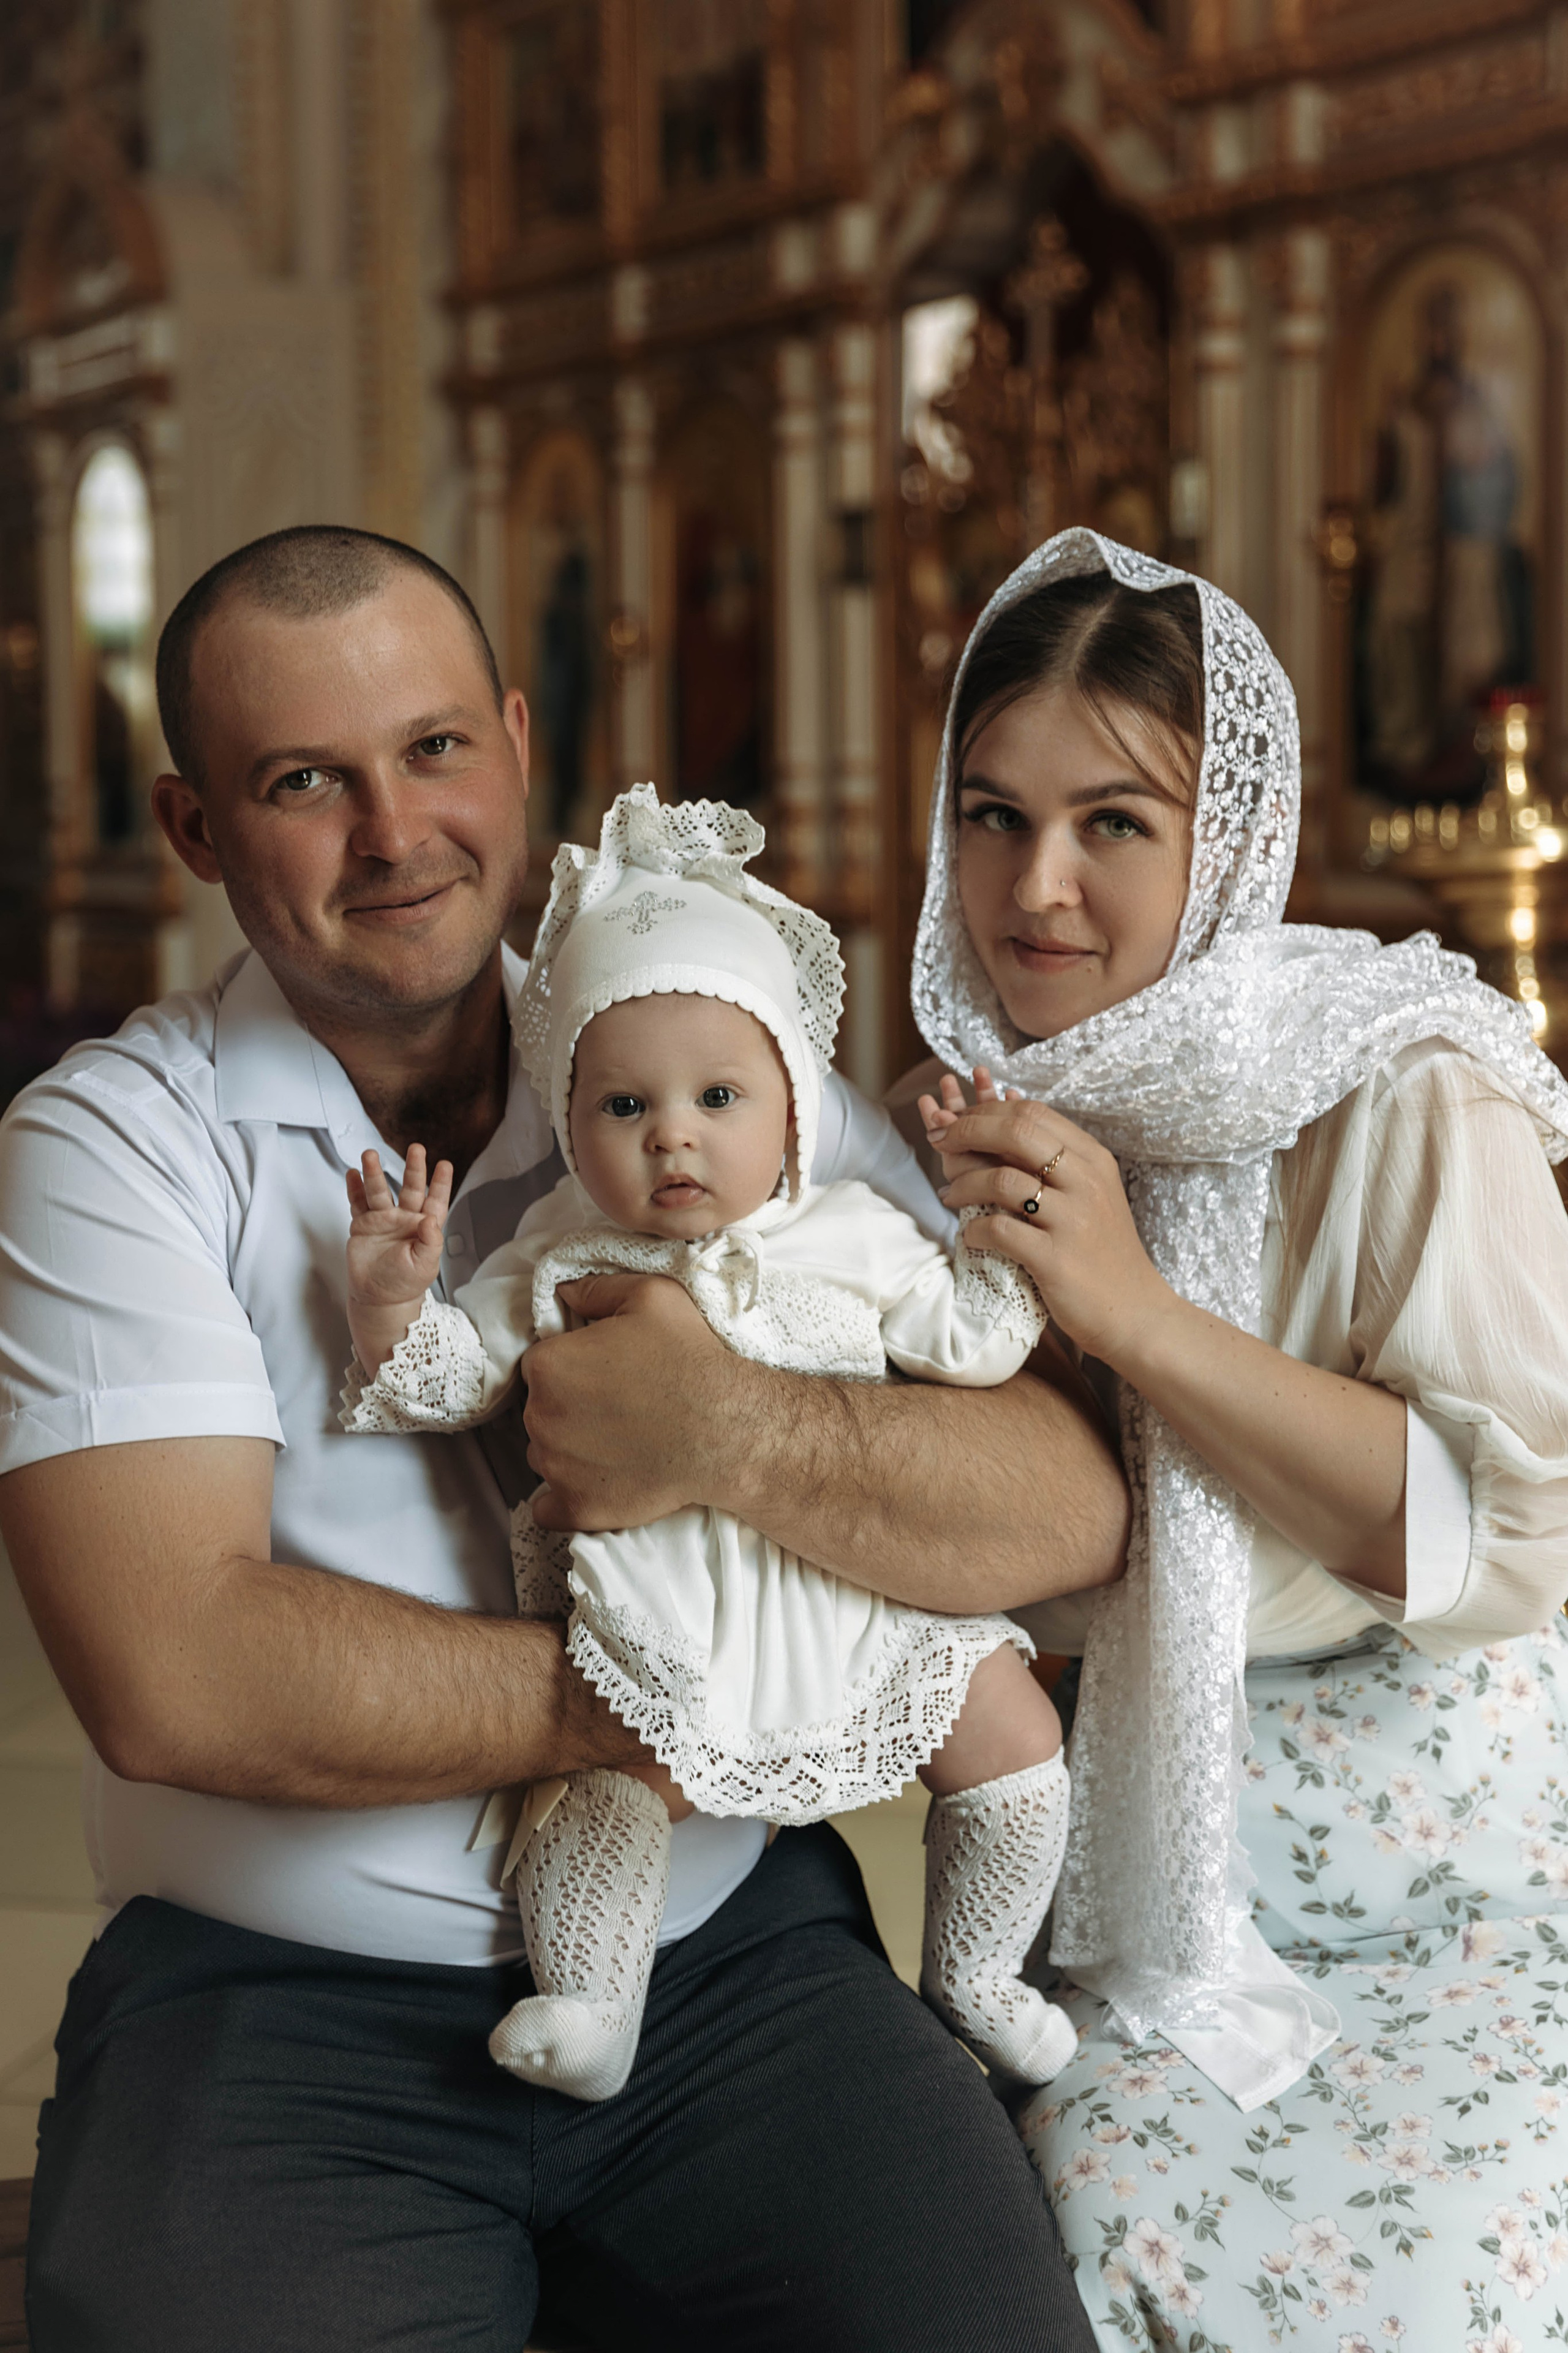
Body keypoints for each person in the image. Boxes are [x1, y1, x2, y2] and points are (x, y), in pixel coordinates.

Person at [0, 523, 1126, 2353]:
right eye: (307, 780)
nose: (394, 831)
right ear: (197, 828)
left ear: (521, 746)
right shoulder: (112, 1145)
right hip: (280, 2007)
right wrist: (723, 1690)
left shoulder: (700, 1049)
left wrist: (740, 1436)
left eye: (437, 749)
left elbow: (1068, 1501)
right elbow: (178, 1676)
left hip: (737, 1972)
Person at [897, 525, 1568, 2348]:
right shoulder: (961, 1116)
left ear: (1231, 842)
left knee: (1460, 2284)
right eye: (989, 813)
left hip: (1466, 1858)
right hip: (1148, 1872)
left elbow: (1505, 1549)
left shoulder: (1406, 1083)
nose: (1034, 887)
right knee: (1110, 2243)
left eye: (1116, 821)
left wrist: (1130, 1308)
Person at [342, 782, 1075, 2104]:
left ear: (794, 1110)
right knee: (602, 1773)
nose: (672, 1131)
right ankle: (589, 1998)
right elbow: (449, 1377)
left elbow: (970, 1338)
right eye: (621, 1108)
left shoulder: (849, 1231)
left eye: (718, 1095)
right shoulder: (555, 1255)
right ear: (568, 1129)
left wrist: (994, 1215)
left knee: (1010, 1720)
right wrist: (396, 1302)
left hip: (851, 1588)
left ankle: (976, 1970)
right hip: (662, 1606)